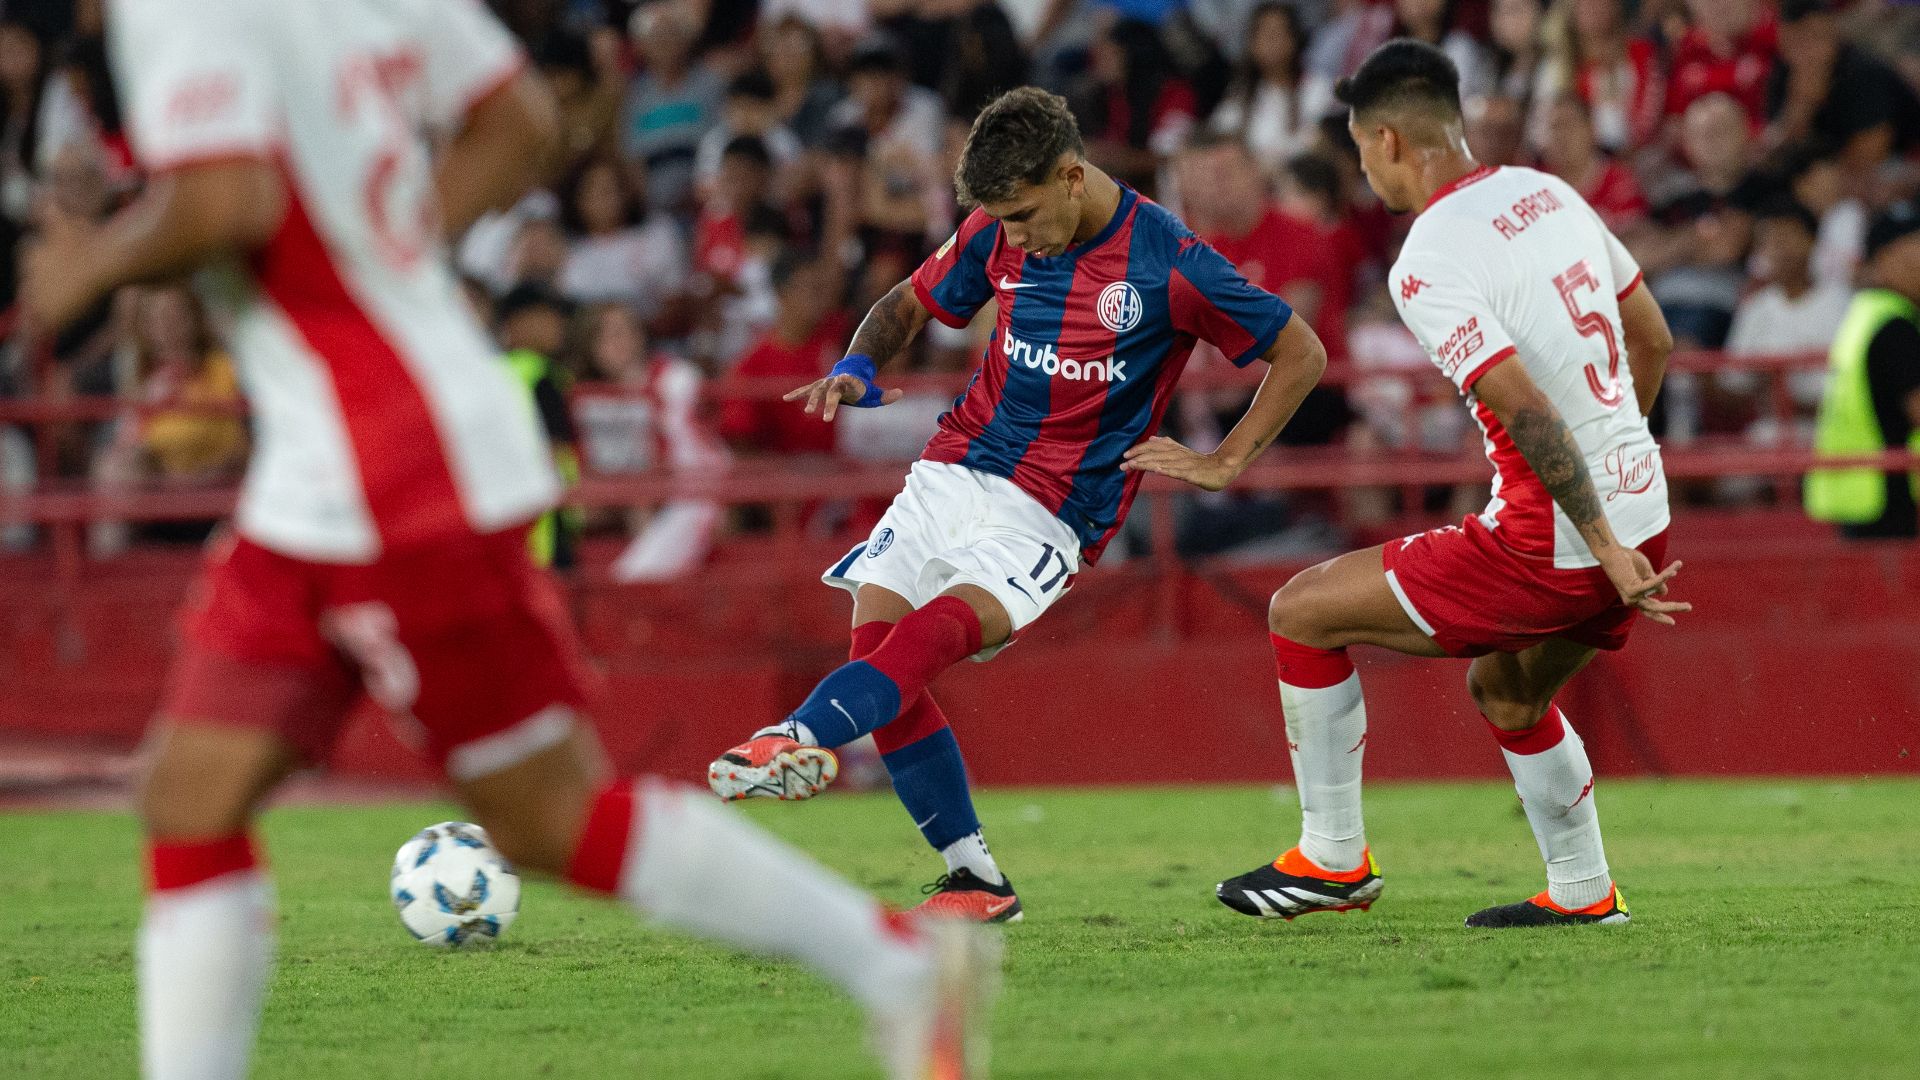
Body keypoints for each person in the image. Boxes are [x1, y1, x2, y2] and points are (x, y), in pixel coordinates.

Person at [17, 3, 995, 1078]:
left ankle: (896, 965)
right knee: (190, 796)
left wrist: (88, 268)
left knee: (550, 818)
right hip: (328, 467)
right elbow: (522, 117)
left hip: (390, 473)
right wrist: (394, 257)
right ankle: (901, 965)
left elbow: (225, 198)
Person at [704, 86, 1329, 921]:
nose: (1019, 239)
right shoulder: (998, 232)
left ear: (1073, 176)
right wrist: (856, 367)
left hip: (1054, 511)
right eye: (1004, 221)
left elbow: (1301, 350)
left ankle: (796, 737)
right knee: (881, 655)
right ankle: (977, 881)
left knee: (921, 648)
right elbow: (902, 306)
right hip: (952, 469)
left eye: (1027, 215)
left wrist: (1226, 460)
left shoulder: (1169, 260)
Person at [1194, 39, 1687, 928]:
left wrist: (1598, 543)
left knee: (1301, 611)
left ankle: (1333, 859)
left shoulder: (1429, 255)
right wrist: (1621, 498)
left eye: (1357, 150)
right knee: (1508, 691)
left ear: (1386, 142)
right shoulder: (1551, 194)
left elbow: (1526, 410)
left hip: (1564, 539)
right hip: (1644, 512)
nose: (1363, 170)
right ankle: (1584, 893)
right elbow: (1651, 337)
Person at [1806, 200, 1920, 540]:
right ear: (1882, 260)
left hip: (1860, 492)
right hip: (1888, 494)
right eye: (1914, 255)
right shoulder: (1894, 325)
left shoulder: (1864, 313)